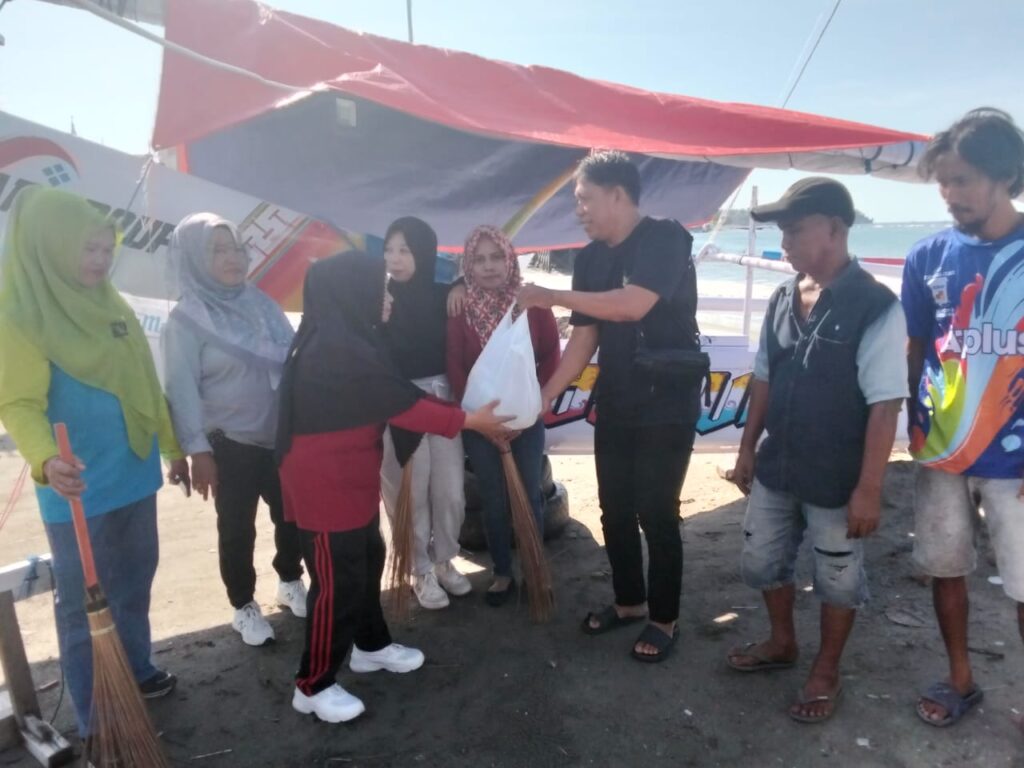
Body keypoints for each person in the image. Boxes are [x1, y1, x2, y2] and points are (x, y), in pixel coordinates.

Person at [276, 250, 511, 723]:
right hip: (325, 485)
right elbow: (402, 405)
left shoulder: (351, 338)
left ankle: (370, 646)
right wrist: (470, 421)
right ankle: (313, 684)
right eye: (380, 289)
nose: (388, 298)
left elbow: (400, 394)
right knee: (337, 582)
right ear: (353, 293)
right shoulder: (334, 349)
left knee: (367, 559)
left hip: (350, 478)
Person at [722, 178, 907, 723]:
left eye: (795, 230)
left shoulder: (876, 305)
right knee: (760, 559)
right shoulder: (783, 297)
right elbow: (763, 377)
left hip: (837, 474)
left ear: (835, 229)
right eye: (782, 232)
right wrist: (747, 448)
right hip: (778, 464)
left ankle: (826, 670)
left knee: (838, 578)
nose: (784, 243)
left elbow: (885, 406)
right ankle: (782, 642)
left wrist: (869, 489)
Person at [0, 187, 183, 736]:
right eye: (89, 249)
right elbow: (18, 403)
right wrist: (44, 460)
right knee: (85, 607)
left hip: (134, 472)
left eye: (107, 249)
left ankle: (137, 669)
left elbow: (145, 382)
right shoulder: (21, 315)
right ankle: (96, 715)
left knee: (134, 582)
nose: (101, 261)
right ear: (52, 246)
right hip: (78, 488)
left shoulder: (110, 303)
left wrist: (171, 448)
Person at [517, 150, 702, 662]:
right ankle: (629, 601)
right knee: (614, 506)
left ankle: (664, 618)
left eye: (585, 199)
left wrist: (551, 296)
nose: (578, 210)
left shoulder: (665, 237)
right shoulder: (590, 259)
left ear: (618, 195)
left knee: (657, 511)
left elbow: (633, 304)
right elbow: (585, 338)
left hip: (667, 402)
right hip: (618, 398)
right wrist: (544, 396)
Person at [901, 108, 1024, 728]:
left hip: (1017, 461)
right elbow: (915, 347)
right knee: (946, 570)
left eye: (964, 180)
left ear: (1006, 176)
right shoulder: (926, 256)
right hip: (942, 451)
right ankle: (960, 679)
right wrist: (912, 424)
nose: (950, 193)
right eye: (943, 182)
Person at [162, 213, 306, 647]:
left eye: (236, 248)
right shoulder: (186, 320)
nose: (232, 258)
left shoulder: (261, 305)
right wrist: (197, 451)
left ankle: (289, 580)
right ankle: (243, 605)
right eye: (217, 250)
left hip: (279, 437)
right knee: (237, 529)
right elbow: (181, 390)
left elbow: (291, 360)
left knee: (293, 517)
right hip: (230, 443)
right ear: (194, 258)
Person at [447, 225, 560, 605]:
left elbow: (551, 355)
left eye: (497, 257)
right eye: (479, 260)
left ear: (510, 259)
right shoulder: (460, 309)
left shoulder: (532, 304)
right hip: (480, 424)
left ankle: (533, 570)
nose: (489, 266)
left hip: (526, 421)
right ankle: (502, 572)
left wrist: (538, 401)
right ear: (468, 266)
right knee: (493, 498)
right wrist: (479, 419)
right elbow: (455, 367)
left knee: (529, 494)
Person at [380, 217, 471, 610]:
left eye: (405, 250)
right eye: (389, 250)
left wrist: (461, 284)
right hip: (400, 404)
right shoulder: (378, 299)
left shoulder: (443, 295)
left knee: (450, 491)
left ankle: (444, 559)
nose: (395, 259)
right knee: (410, 493)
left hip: (443, 400)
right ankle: (418, 568)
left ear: (424, 252)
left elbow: (481, 281)